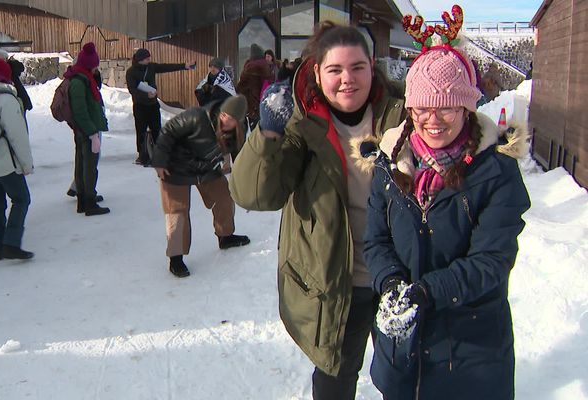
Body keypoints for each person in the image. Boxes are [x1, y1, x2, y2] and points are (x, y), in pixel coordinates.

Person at [229, 21, 406, 400]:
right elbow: (253, 194)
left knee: (403, 377)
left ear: (372, 65)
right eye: (335, 70)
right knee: (336, 378)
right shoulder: (302, 125)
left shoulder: (401, 115)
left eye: (357, 67)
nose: (348, 79)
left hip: (398, 275)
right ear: (317, 72)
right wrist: (268, 134)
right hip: (340, 282)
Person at [363, 7, 531, 400]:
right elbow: (376, 241)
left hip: (471, 357)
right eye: (421, 107)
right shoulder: (391, 164)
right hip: (403, 354)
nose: (432, 119)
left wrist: (425, 292)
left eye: (446, 106)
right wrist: (390, 284)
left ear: (467, 108)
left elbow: (491, 260)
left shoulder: (496, 172)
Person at [151, 94, 251, 278]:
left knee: (224, 196)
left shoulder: (238, 130)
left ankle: (225, 236)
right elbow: (168, 132)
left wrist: (244, 176)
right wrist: (160, 161)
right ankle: (176, 258)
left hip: (205, 167)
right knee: (177, 211)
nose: (225, 119)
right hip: (175, 166)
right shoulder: (197, 116)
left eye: (231, 119)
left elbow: (240, 153)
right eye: (224, 115)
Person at [0, 56, 34, 260]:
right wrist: (26, 164)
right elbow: (18, 136)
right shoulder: (5, 99)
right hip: (4, 162)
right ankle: (12, 242)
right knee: (21, 198)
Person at [126, 48, 196, 166]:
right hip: (140, 105)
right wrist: (145, 94)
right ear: (140, 60)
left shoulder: (151, 67)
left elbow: (166, 67)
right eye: (147, 59)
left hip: (153, 104)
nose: (149, 60)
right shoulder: (131, 72)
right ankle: (142, 155)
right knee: (141, 131)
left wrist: (184, 66)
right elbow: (132, 89)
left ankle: (159, 155)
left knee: (157, 130)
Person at [66, 42, 109, 216]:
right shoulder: (79, 81)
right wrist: (92, 133)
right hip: (86, 131)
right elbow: (80, 110)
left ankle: (84, 200)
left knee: (83, 164)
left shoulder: (83, 78)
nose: (96, 68)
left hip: (84, 129)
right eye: (94, 65)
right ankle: (89, 201)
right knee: (88, 165)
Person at [236, 43, 273, 131]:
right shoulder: (266, 66)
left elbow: (241, 86)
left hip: (253, 104)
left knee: (253, 130)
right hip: (264, 102)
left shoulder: (251, 66)